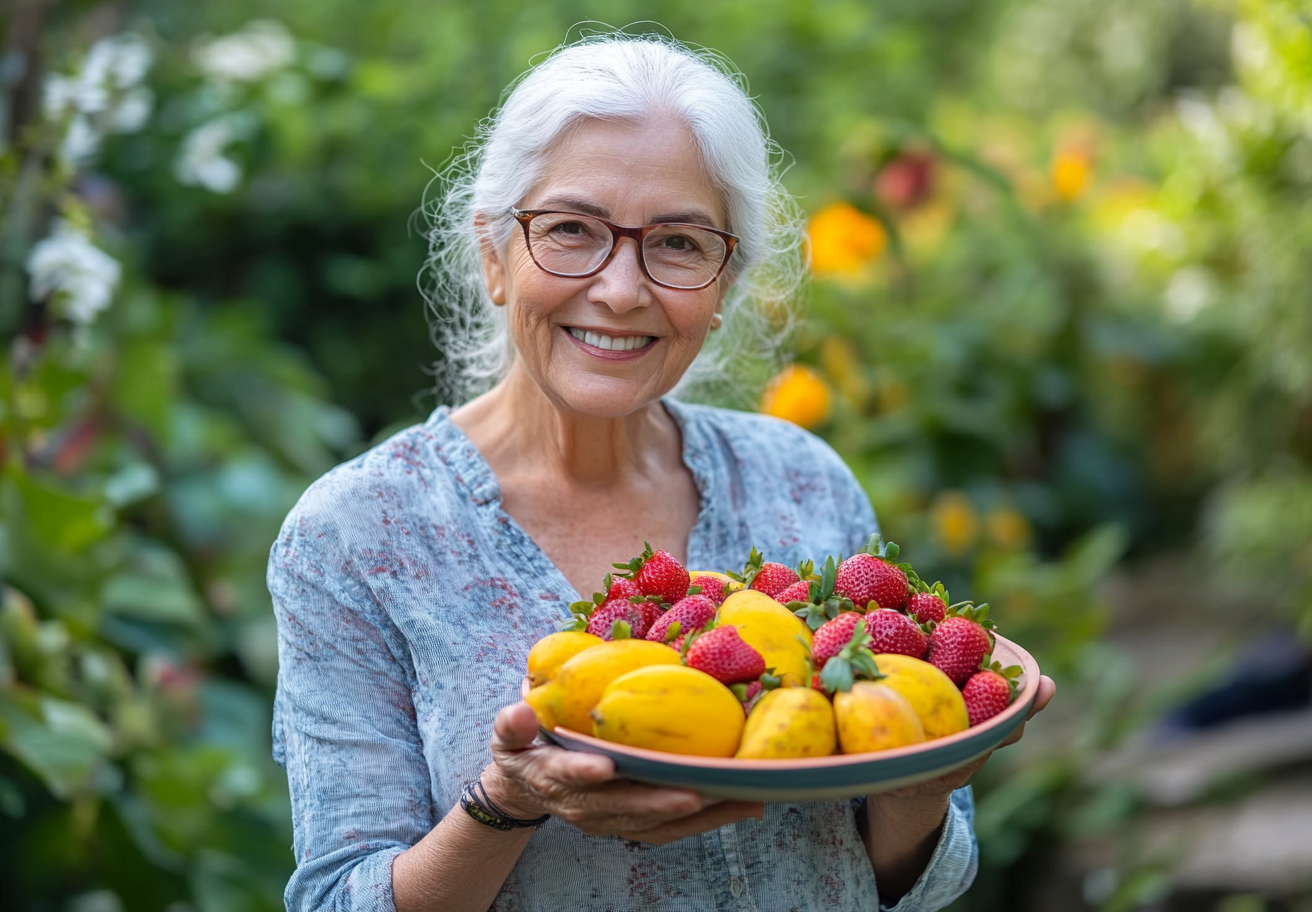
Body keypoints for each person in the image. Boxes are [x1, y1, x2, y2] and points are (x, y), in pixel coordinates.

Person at [268, 33, 1056, 912]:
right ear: (494, 254)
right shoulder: (357, 536)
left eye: (678, 242)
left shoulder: (802, 481)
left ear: (724, 286)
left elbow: (929, 877)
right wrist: (506, 802)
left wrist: (923, 782)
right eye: (571, 229)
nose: (620, 289)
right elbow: (337, 897)